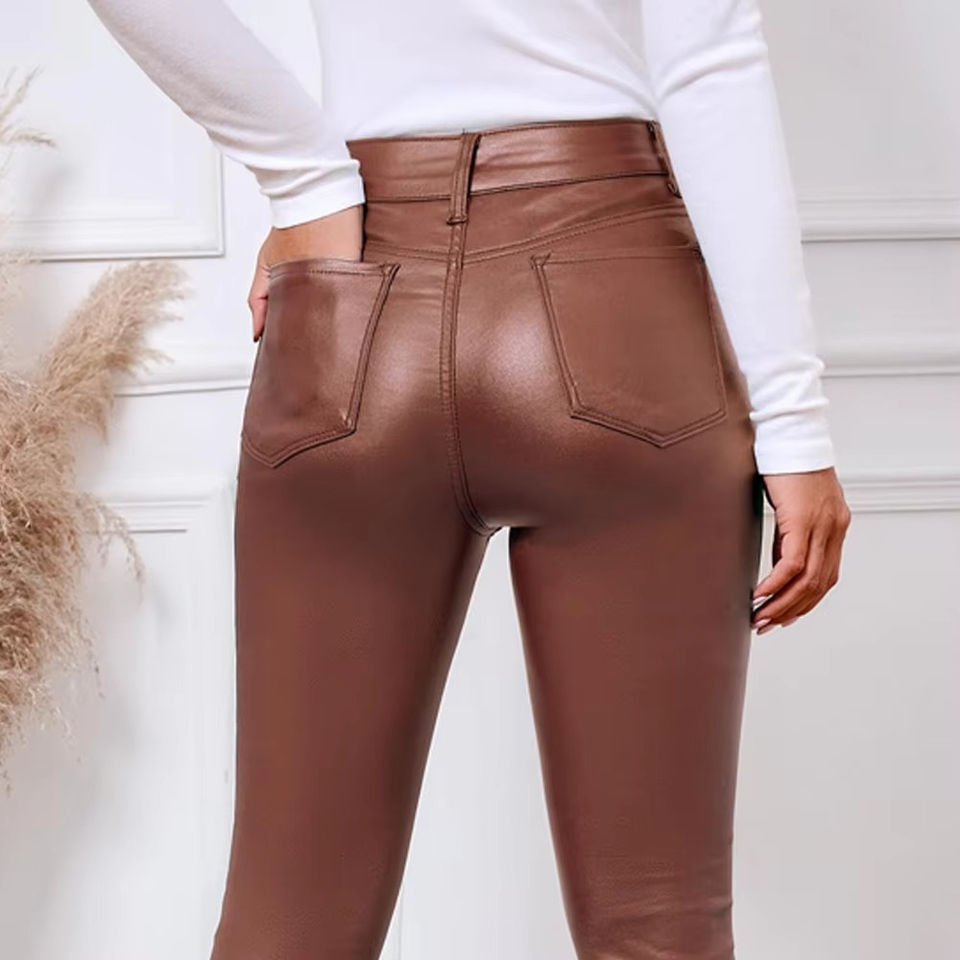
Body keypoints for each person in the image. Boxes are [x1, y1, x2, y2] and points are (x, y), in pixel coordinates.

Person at [86, 0, 852, 957]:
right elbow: (711, 60)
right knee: (658, 931)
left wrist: (302, 180)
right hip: (613, 285)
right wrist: (793, 426)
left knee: (291, 920)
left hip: (358, 295)